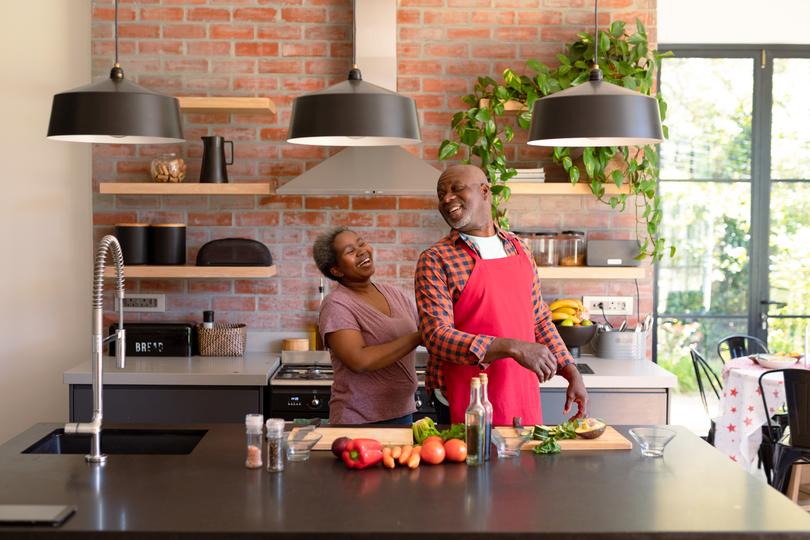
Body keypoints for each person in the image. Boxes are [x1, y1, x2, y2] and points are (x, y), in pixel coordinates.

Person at [415, 164, 588, 425]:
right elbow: (436, 336)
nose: (447, 198)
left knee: (523, 463)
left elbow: (539, 319)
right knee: (471, 465)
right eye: (441, 194)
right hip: (465, 394)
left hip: (520, 390)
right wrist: (512, 347)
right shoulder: (436, 259)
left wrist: (570, 370)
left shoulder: (519, 249)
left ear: (485, 191)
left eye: (456, 189)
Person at [313, 227, 421, 425]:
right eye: (350, 251)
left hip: (403, 413)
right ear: (336, 270)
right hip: (359, 420)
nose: (362, 251)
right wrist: (418, 337)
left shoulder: (394, 294)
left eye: (361, 243)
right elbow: (359, 360)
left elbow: (431, 329)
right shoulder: (336, 304)